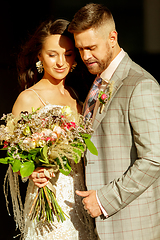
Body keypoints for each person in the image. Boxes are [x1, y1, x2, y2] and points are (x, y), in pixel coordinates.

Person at [68, 3, 160, 240]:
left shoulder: (141, 85)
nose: (85, 56)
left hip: (130, 225)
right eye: (80, 49)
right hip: (98, 226)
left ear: (112, 37)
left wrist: (103, 199)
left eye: (91, 47)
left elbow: (154, 159)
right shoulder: (97, 82)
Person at [10, 18, 97, 240]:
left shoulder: (78, 98)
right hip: (47, 202)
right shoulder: (28, 98)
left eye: (68, 54)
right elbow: (14, 156)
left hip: (80, 202)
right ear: (39, 56)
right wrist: (32, 172)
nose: (61, 62)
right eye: (52, 54)